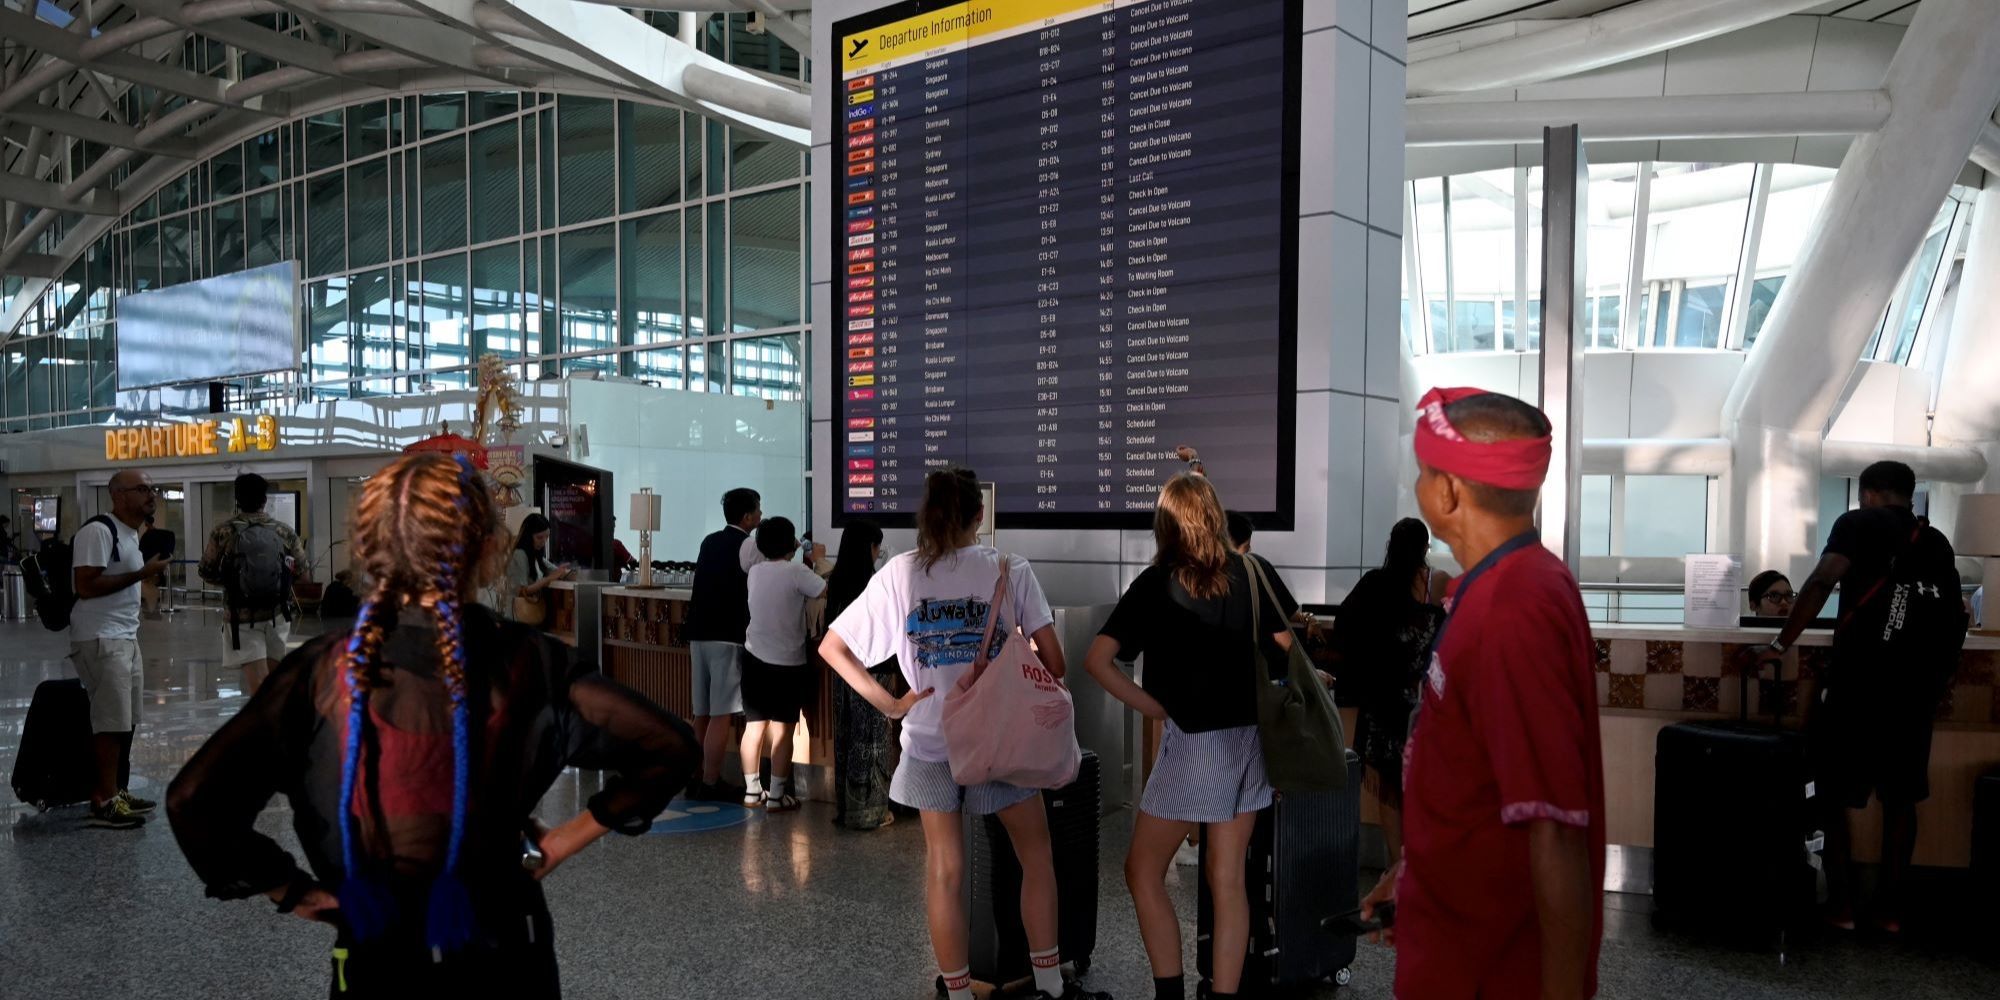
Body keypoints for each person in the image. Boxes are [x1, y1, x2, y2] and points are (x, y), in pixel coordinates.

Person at [165, 453, 698, 998]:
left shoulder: (321, 672)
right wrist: (565, 838)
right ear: (490, 547)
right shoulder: (530, 663)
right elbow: (669, 746)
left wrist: (292, 891)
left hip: (374, 952)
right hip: (507, 950)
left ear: (368, 547)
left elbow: (193, 800)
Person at [820, 468, 1110, 1000]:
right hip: (1000, 741)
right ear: (981, 515)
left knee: (946, 871)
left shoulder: (899, 574)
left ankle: (956, 991)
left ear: (926, 516)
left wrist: (892, 704)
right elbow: (1056, 662)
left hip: (930, 740)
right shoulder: (1008, 568)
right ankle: (1048, 983)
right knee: (1035, 855)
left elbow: (832, 647)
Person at [1361, 387, 1605, 1000]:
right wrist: (1414, 875)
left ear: (1448, 493)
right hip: (1454, 946)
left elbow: (1555, 828)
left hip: (1491, 972)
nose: (1419, 488)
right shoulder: (1495, 584)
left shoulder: (1516, 606)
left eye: (1423, 474)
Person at [1083, 473, 1294, 1000]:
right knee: (1228, 881)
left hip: (1192, 745)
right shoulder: (1253, 570)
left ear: (1166, 525)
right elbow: (1287, 646)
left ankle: (1170, 992)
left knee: (1142, 869)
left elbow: (1098, 660)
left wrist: (1153, 706)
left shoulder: (1156, 584)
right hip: (1249, 744)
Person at [1755, 460, 1960, 933]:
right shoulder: (1935, 541)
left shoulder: (1856, 522)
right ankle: (1890, 911)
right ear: (1909, 495)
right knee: (1901, 800)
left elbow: (1825, 579)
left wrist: (1779, 643)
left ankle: (1843, 905)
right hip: (1915, 692)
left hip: (1859, 685)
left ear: (1867, 492)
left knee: (1831, 794)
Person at [1332, 517, 1447, 869]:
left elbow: (1343, 626)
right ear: (1425, 547)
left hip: (1382, 706)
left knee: (1389, 792)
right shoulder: (1436, 582)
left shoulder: (1376, 584)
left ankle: (1396, 867)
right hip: (1424, 706)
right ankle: (1423, 867)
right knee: (1420, 789)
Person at [70, 470, 174, 829]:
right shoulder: (98, 531)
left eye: (152, 488)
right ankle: (103, 799)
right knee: (109, 722)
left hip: (125, 636)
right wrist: (142, 573)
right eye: (142, 488)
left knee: (126, 719)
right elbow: (85, 585)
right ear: (117, 495)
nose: (151, 495)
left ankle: (118, 788)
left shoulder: (131, 534)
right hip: (100, 637)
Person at [740, 516, 827, 813]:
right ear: (790, 542)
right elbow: (822, 590)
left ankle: (752, 791)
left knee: (753, 727)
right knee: (782, 731)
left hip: (753, 659)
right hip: (788, 662)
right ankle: (777, 796)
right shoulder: (796, 571)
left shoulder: (754, 572)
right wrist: (819, 559)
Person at [684, 487, 762, 801]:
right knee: (721, 715)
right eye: (757, 510)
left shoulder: (709, 541)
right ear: (747, 517)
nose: (760, 515)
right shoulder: (748, 545)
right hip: (727, 637)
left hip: (698, 634)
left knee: (700, 713)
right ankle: (712, 781)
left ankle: (692, 776)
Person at [198, 473, 307, 696]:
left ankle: (269, 727)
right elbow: (303, 573)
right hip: (277, 615)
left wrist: (234, 582)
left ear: (237, 499)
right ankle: (279, 723)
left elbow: (205, 571)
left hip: (242, 618)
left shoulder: (223, 532)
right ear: (264, 499)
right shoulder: (283, 531)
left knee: (259, 686)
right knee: (274, 682)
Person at [824, 520, 896, 831]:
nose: (878, 553)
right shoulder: (874, 586)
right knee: (872, 740)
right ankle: (872, 812)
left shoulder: (836, 581)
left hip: (842, 675)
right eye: (877, 547)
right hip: (872, 676)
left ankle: (846, 808)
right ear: (869, 548)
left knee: (846, 737)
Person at [504, 513, 573, 628]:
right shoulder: (519, 554)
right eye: (539, 537)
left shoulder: (537, 557)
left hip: (527, 618)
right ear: (528, 536)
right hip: (516, 618)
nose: (543, 541)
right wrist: (548, 579)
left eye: (546, 537)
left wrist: (566, 572)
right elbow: (522, 591)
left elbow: (557, 572)